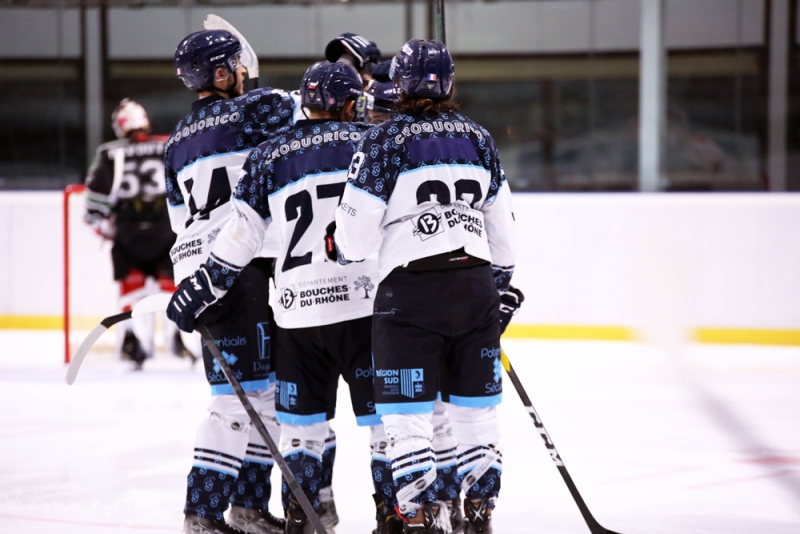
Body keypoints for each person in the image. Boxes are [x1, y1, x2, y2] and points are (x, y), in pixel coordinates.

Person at [167, 59, 399, 534]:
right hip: (354, 301)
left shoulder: (198, 144)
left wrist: (205, 279)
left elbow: (209, 225)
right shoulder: (290, 116)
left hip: (284, 301)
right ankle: (391, 514)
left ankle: (295, 512)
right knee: (384, 418)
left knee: (288, 414)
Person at [333, 39, 523, 534]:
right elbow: (503, 236)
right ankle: (478, 515)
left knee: (407, 419)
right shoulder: (478, 137)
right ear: (450, 83)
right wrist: (496, 287)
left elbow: (352, 242)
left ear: (399, 82)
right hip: (475, 286)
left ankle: (420, 518)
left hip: (410, 294)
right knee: (476, 415)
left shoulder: (384, 140)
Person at [165, 29, 296, 534]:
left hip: (201, 276)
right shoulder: (257, 109)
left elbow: (181, 223)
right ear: (221, 73)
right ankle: (201, 512)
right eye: (237, 65)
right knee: (237, 400)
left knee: (258, 396)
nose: (245, 72)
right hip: (242, 271)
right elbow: (322, 108)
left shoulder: (175, 140)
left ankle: (246, 508)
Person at [84, 98, 194, 370]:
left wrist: (103, 226)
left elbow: (93, 206)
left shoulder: (110, 153)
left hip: (128, 233)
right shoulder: (168, 145)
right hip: (166, 230)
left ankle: (131, 340)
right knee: (170, 286)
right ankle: (176, 336)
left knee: (129, 291)